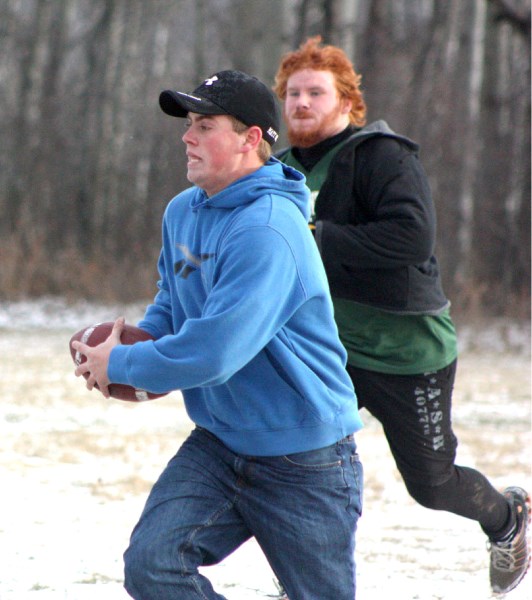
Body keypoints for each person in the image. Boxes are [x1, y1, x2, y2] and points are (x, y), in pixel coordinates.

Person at [72, 69, 364, 600]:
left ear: (251, 139)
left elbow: (215, 351)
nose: (188, 136)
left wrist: (122, 366)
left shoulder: (268, 230)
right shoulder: (184, 211)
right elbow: (174, 299)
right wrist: (132, 340)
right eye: (189, 124)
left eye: (205, 125)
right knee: (153, 566)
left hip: (305, 455)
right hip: (220, 442)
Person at [273, 36, 530, 596]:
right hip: (329, 350)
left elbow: (411, 238)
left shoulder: (382, 156)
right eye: (292, 93)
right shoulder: (279, 170)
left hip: (405, 351)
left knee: (431, 485)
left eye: (316, 92)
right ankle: (305, 574)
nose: (301, 103)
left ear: (347, 102)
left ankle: (508, 518)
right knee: (292, 455)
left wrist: (318, 237)